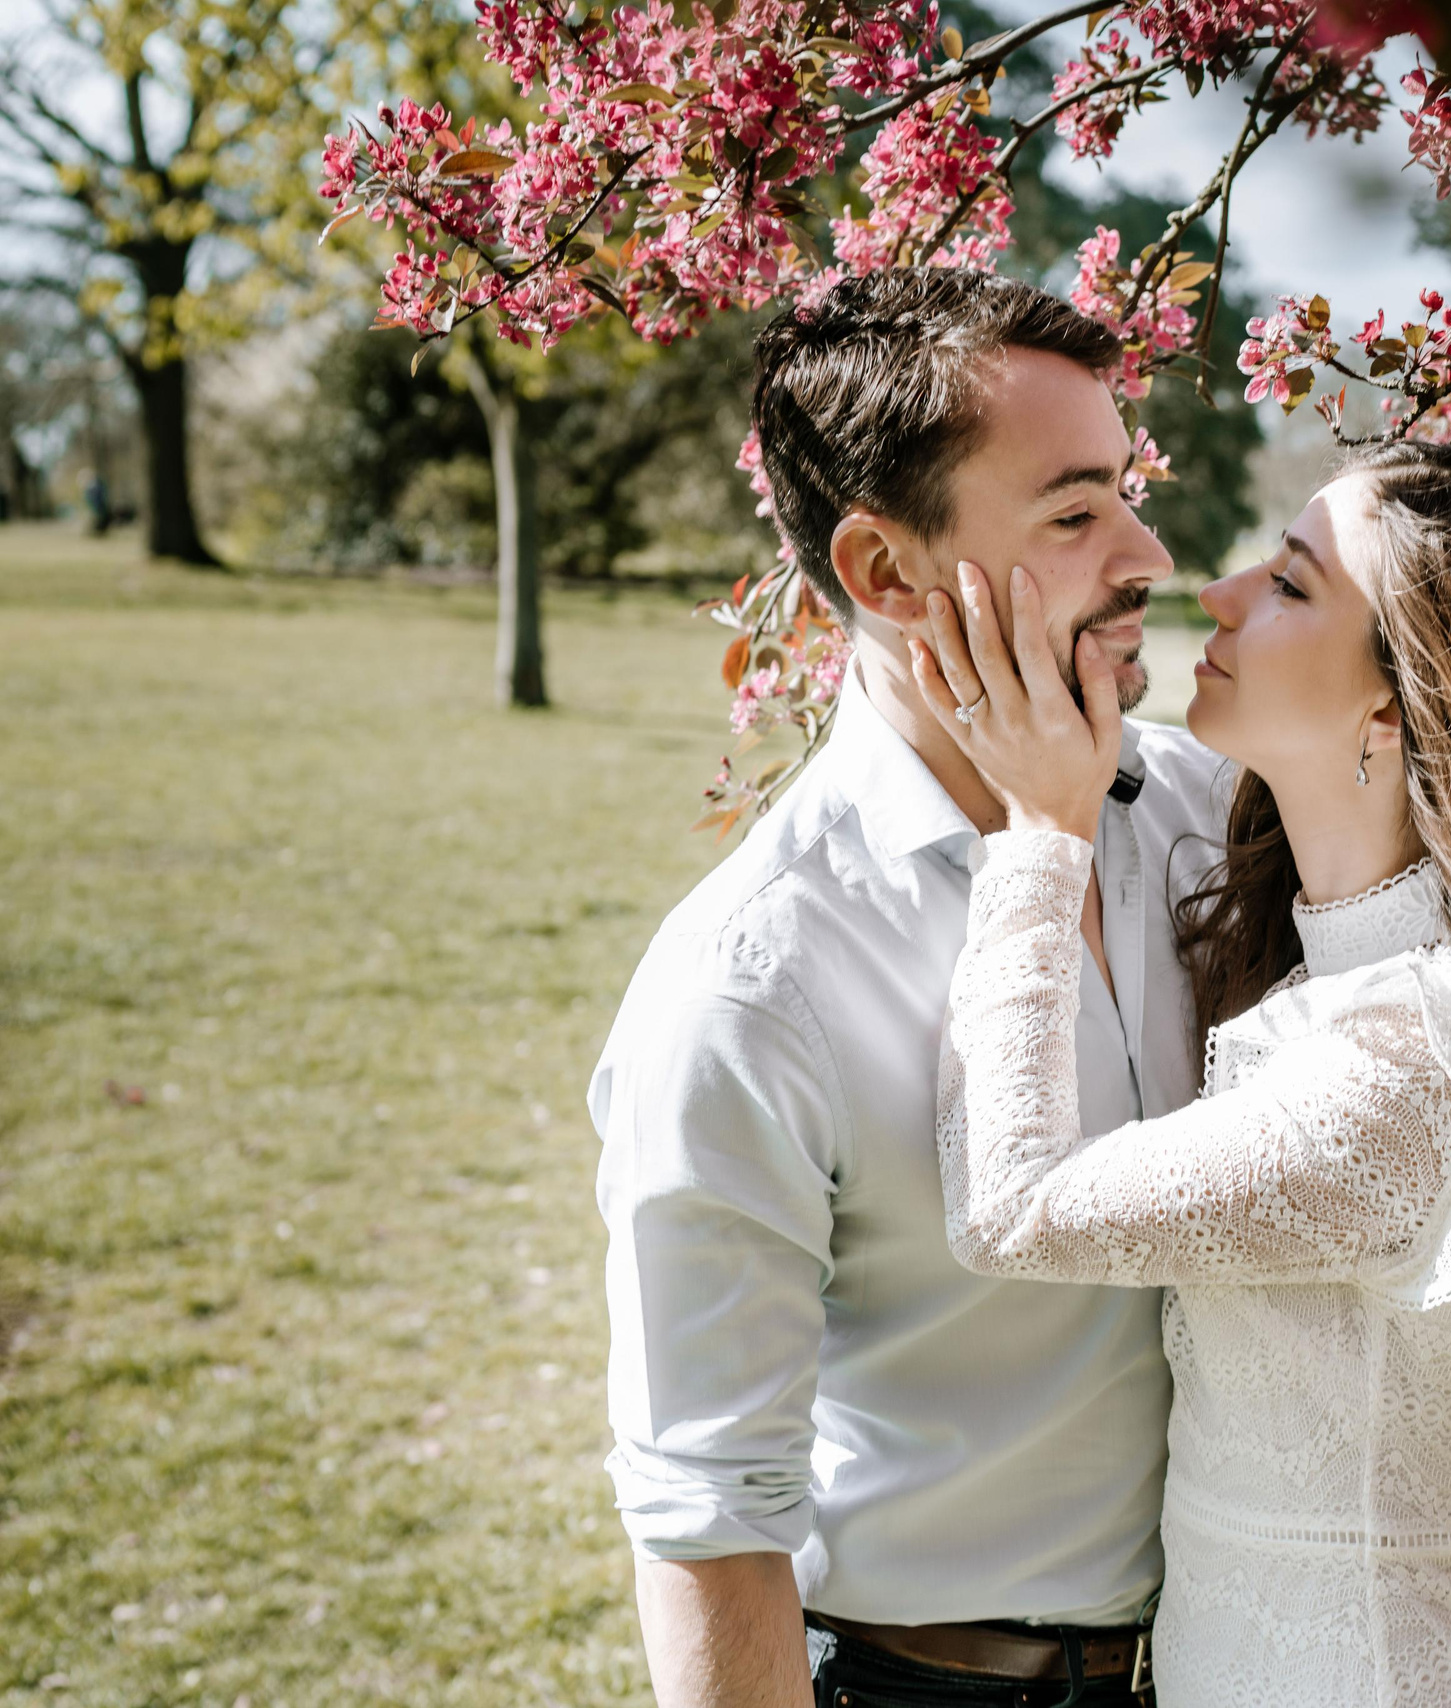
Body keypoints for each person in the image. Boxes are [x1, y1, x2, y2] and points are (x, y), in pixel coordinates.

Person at [912, 440, 1451, 1707]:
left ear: (1391, 707)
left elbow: (1012, 1206)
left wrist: (1039, 835)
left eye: (1293, 585)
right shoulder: (1332, 981)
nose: (1224, 589)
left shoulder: (1426, 1052)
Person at [588, 268, 1231, 1708]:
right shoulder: (752, 984)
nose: (1147, 553)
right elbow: (709, 1516)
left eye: (1126, 493)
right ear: (886, 575)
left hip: (1252, 1655)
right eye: (1075, 515)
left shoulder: (1217, 818)